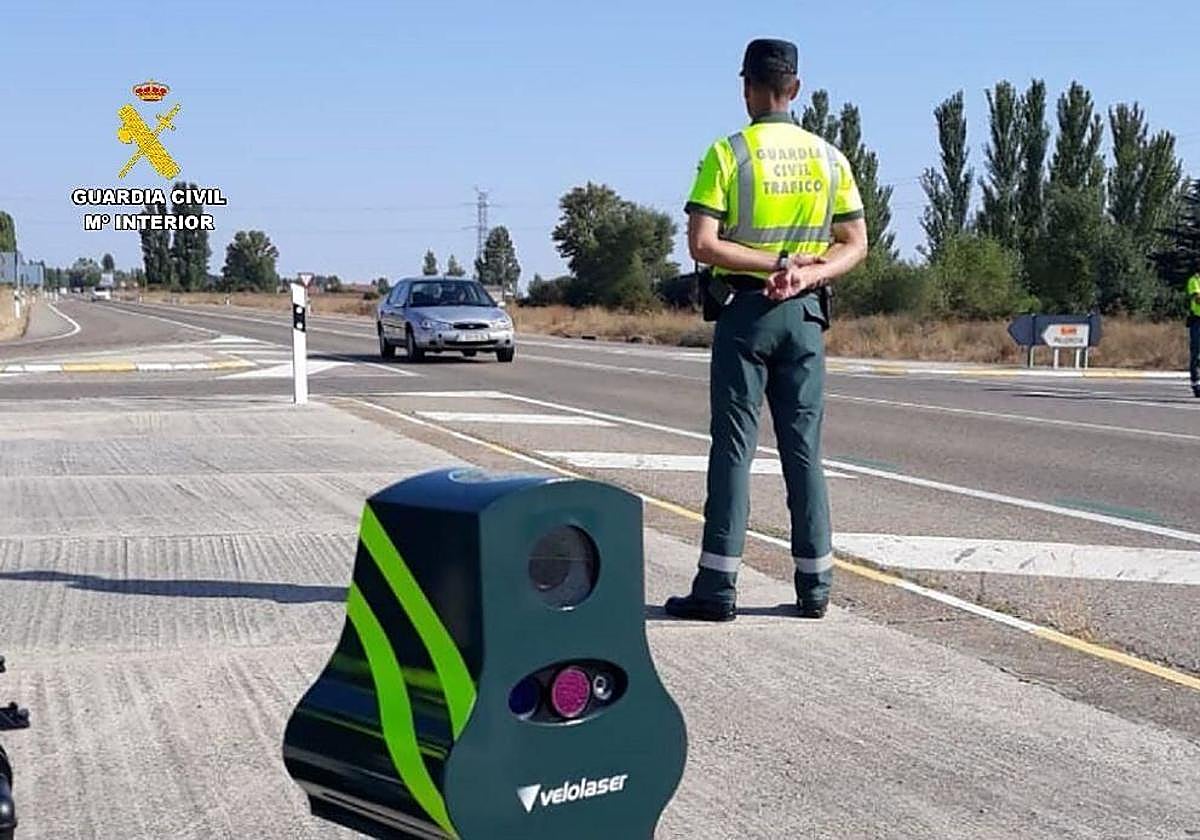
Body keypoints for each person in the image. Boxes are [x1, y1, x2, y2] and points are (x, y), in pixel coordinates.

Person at [665, 38, 868, 622]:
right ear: (795, 88)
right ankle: (816, 587)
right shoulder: (830, 158)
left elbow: (703, 244)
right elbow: (856, 244)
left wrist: (770, 266)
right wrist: (808, 273)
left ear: (746, 87)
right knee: (803, 450)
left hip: (745, 311)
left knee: (733, 447)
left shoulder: (727, 155)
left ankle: (717, 587)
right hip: (804, 317)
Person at [1188, 269, 1200, 398]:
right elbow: (1197, 299)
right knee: (1197, 354)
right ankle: (1196, 383)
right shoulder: (1195, 280)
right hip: (1198, 321)